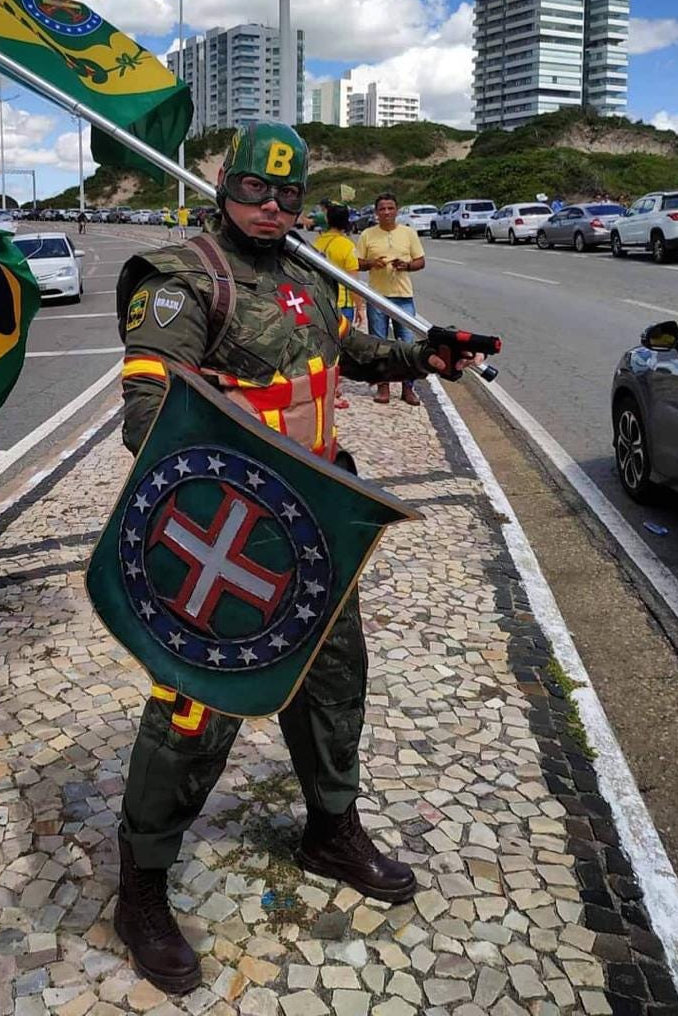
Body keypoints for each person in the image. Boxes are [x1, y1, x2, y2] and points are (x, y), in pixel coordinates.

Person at [113, 122, 474, 994]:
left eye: (290, 195)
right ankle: (143, 883)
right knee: (198, 710)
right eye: (257, 190)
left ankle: (331, 825)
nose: (273, 208)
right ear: (225, 186)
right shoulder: (182, 279)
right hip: (230, 549)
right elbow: (145, 422)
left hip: (317, 535)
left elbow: (346, 356)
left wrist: (423, 354)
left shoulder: (310, 272)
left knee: (334, 681)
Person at [355, 193, 426, 407]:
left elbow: (420, 261)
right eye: (382, 209)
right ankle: (383, 387)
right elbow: (357, 262)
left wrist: (407, 265)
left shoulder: (409, 233)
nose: (386, 212)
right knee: (379, 343)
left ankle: (408, 388)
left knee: (407, 344)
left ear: (397, 210)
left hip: (403, 297)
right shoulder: (367, 234)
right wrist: (371, 263)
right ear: (376, 212)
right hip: (377, 297)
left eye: (390, 208)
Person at [314, 203, 365, 409]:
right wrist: (360, 308)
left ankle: (324, 388)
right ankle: (333, 391)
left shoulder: (318, 242)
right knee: (338, 350)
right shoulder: (346, 246)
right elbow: (353, 283)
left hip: (322, 302)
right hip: (342, 304)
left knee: (322, 349)